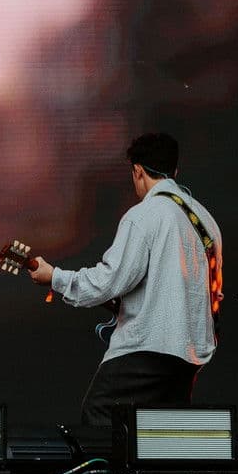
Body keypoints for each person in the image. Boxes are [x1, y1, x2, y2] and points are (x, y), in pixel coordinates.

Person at [28, 132, 222, 426]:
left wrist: (54, 277)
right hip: (190, 355)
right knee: (157, 434)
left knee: (99, 415)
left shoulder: (145, 215)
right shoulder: (206, 220)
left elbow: (109, 280)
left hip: (149, 347)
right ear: (174, 171)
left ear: (138, 171)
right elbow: (209, 292)